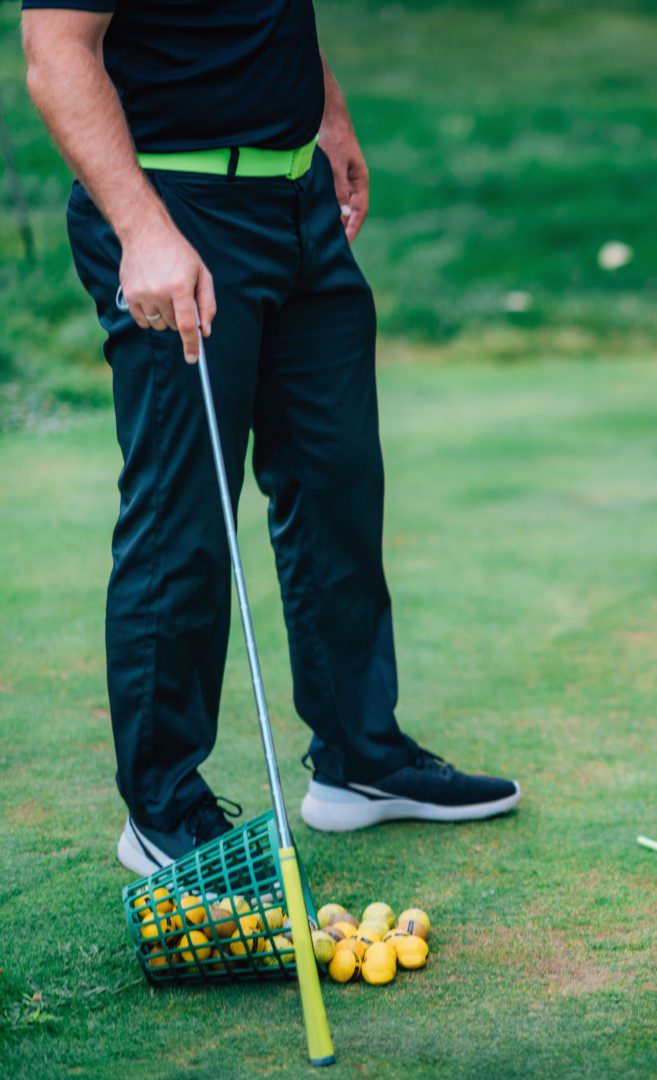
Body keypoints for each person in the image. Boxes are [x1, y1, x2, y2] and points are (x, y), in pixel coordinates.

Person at [21, 0, 519, 875]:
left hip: (297, 201)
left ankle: (360, 761)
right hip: (176, 207)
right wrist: (141, 231)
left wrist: (325, 114)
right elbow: (56, 53)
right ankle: (163, 811)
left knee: (337, 486)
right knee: (186, 519)